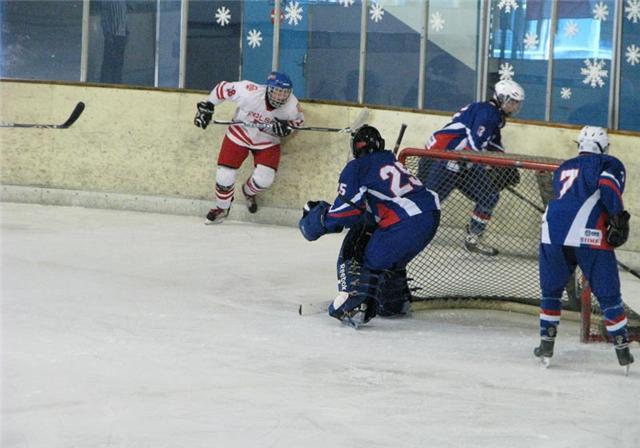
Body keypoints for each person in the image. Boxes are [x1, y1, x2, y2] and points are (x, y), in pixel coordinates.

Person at [299, 125, 441, 328]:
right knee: (390, 258)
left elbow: (345, 213)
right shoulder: (391, 161)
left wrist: (316, 221)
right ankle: (393, 302)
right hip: (430, 215)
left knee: (363, 251)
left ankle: (356, 302)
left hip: (407, 222)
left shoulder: (357, 167)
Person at [535, 126, 633, 372]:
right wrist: (618, 218)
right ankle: (622, 348)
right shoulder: (609, 163)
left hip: (552, 231)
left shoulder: (563, 167)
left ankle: (546, 344)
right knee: (608, 295)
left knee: (551, 291)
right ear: (604, 146)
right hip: (588, 233)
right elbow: (608, 187)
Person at [420, 79, 525, 256]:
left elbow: (494, 146)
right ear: (501, 98)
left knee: (489, 196)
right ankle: (406, 230)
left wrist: (505, 164)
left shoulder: (494, 116)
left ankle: (473, 238)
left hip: (462, 162)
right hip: (444, 159)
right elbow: (474, 146)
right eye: (513, 102)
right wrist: (490, 168)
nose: (515, 106)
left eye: (517, 103)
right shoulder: (488, 113)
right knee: (428, 202)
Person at [194, 71, 305, 223]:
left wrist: (287, 129)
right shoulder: (249, 91)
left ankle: (248, 192)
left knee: (265, 179)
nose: (280, 97)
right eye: (277, 92)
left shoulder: (292, 105)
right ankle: (222, 208)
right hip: (241, 132)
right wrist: (208, 105)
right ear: (268, 88)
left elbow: (298, 122)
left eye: (284, 93)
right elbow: (222, 88)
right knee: (224, 175)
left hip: (268, 139)